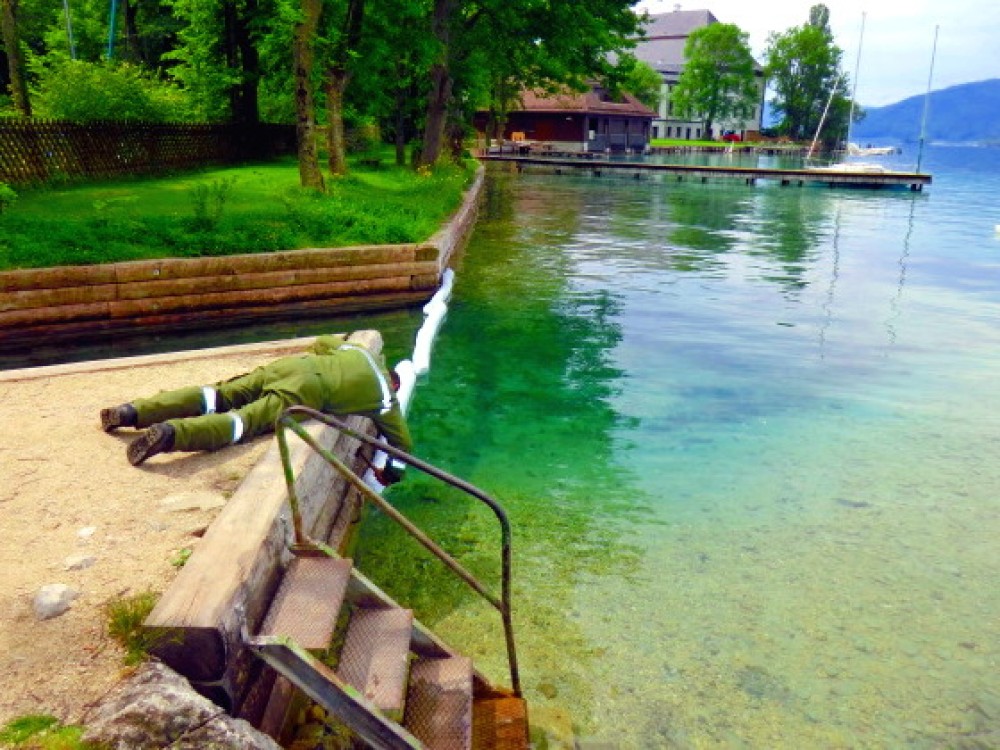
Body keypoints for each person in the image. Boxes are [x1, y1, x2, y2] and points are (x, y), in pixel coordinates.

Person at [100, 334, 411, 483]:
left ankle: (131, 412)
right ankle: (170, 434)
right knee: (242, 423)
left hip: (290, 367)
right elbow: (402, 445)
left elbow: (323, 341)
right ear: (394, 385)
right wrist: (391, 474)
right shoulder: (385, 400)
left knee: (217, 395)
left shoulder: (358, 352)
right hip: (306, 392)